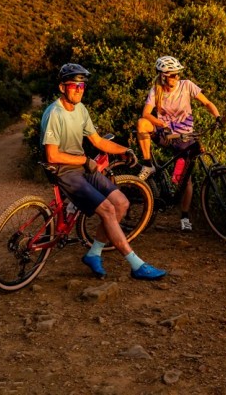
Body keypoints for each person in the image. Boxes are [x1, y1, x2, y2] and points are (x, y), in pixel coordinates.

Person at [41, 63, 167, 281]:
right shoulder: (54, 113)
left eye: (82, 86)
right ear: (63, 87)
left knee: (121, 203)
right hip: (63, 170)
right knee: (108, 210)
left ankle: (94, 253)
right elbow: (52, 155)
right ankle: (136, 265)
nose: (79, 90)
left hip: (82, 167)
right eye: (74, 85)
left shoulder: (80, 110)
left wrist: (124, 151)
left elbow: (97, 141)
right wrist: (83, 159)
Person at [135, 55, 221, 232]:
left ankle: (184, 216)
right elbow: (146, 113)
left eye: (177, 74)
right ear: (163, 75)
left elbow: (206, 102)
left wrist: (217, 116)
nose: (176, 77)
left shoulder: (187, 85)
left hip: (185, 137)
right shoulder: (156, 90)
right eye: (172, 74)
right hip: (166, 134)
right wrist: (162, 125)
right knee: (141, 124)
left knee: (186, 180)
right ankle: (147, 164)